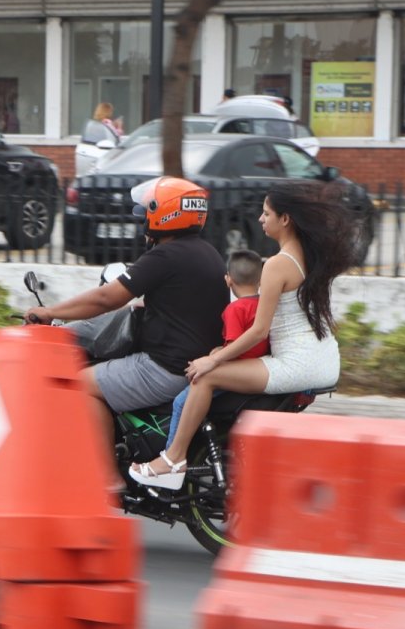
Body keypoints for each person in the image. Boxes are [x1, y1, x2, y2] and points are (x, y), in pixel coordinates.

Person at [130, 181, 358, 489]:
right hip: (324, 358)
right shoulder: (309, 257)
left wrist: (213, 361)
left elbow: (259, 330)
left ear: (285, 219)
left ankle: (173, 460)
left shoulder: (277, 264)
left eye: (266, 214)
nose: (261, 220)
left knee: (205, 377)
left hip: (297, 364)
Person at [25, 177, 230, 465]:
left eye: (147, 211)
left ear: (164, 213)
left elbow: (106, 299)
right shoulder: (207, 252)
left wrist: (51, 312)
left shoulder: (165, 256)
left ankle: (106, 481)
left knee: (76, 384)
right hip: (192, 363)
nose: (143, 218)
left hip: (165, 368)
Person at [164, 249, 269, 452]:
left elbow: (235, 347)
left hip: (235, 370)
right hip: (255, 368)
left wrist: (216, 355)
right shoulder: (262, 305)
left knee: (180, 403)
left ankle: (170, 454)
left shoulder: (235, 309)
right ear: (260, 279)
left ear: (228, 280)